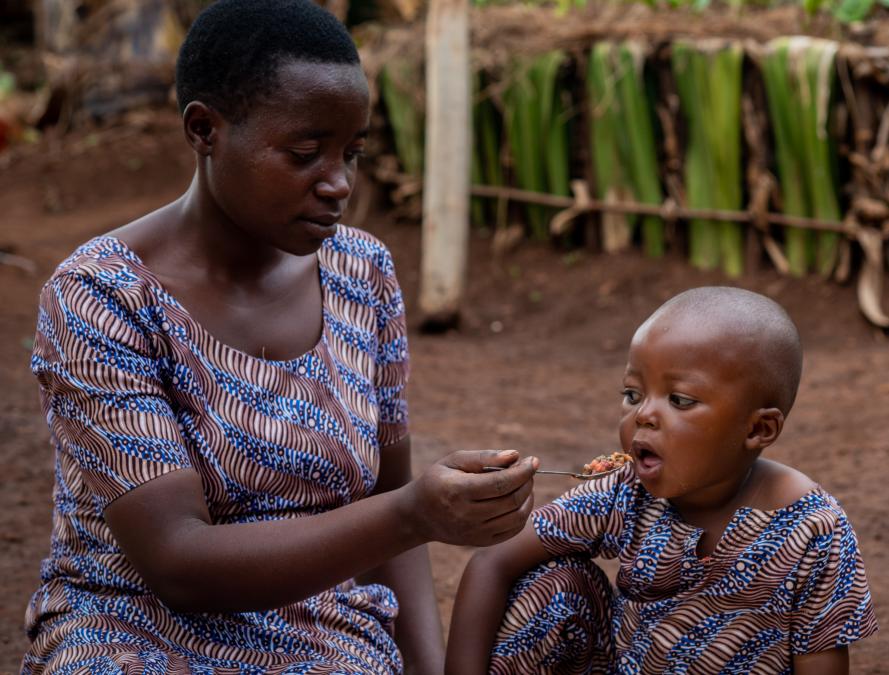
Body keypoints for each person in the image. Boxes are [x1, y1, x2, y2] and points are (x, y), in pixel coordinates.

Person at [21, 1, 538, 672]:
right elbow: (177, 560)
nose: (339, 183)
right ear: (204, 129)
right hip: (131, 624)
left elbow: (388, 500)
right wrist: (415, 514)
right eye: (304, 153)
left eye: (351, 153)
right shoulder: (103, 296)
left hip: (323, 630)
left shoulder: (361, 273)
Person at [447, 287, 879, 674]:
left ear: (758, 430)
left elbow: (821, 660)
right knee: (554, 583)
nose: (644, 415)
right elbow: (492, 562)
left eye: (680, 400)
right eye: (633, 395)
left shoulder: (812, 529)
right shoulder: (624, 489)